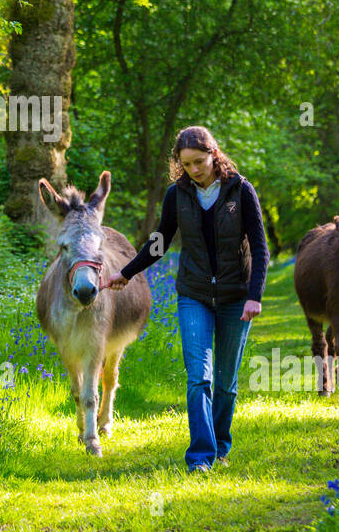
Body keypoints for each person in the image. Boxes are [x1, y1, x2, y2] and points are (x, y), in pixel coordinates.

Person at [101, 125, 269, 471]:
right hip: (193, 294)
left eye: (199, 161)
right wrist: (128, 272)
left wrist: (255, 296)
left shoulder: (241, 191)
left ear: (214, 153)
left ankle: (221, 446)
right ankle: (200, 457)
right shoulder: (177, 195)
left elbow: (261, 247)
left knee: (225, 382)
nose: (194, 169)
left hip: (236, 296)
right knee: (199, 377)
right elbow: (160, 241)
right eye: (186, 164)